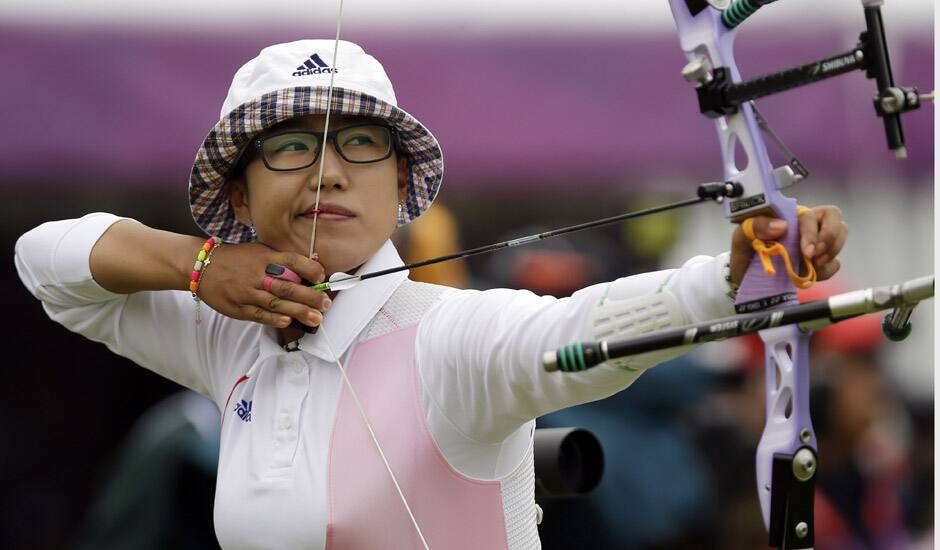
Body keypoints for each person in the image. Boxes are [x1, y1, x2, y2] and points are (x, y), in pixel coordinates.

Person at [14, 39, 848, 549]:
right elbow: (46, 262)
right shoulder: (227, 333)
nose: (329, 170)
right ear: (238, 195)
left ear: (403, 181)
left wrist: (732, 276)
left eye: (362, 142)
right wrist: (202, 267)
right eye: (292, 144)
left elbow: (574, 330)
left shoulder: (452, 340)